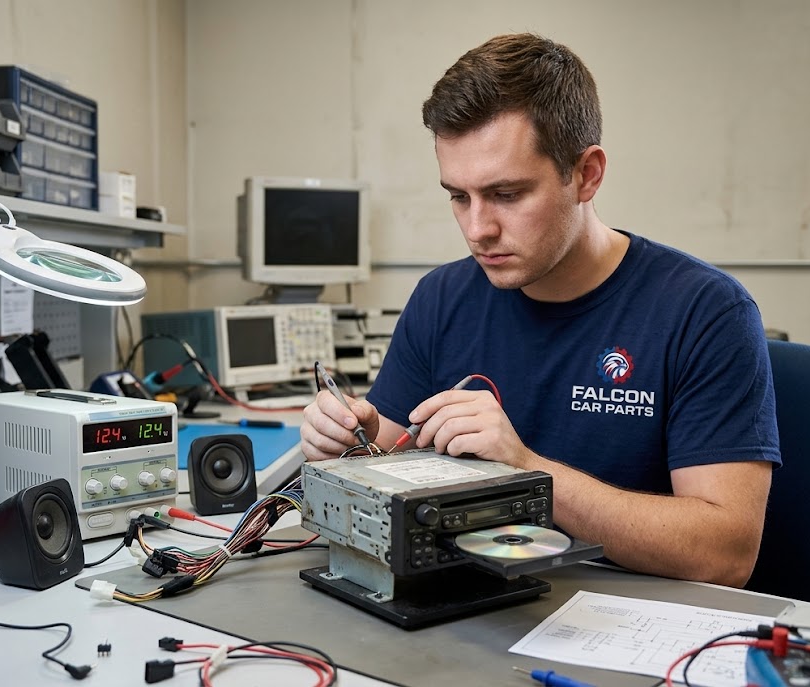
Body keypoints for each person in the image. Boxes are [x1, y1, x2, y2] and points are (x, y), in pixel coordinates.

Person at [300, 33, 780, 588]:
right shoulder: (441, 298)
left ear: (587, 174)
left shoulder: (704, 311)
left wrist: (527, 471)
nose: (478, 229)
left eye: (507, 194)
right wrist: (349, 441)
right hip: (464, 609)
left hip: (629, 628)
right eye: (459, 196)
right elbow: (389, 448)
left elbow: (724, 555)